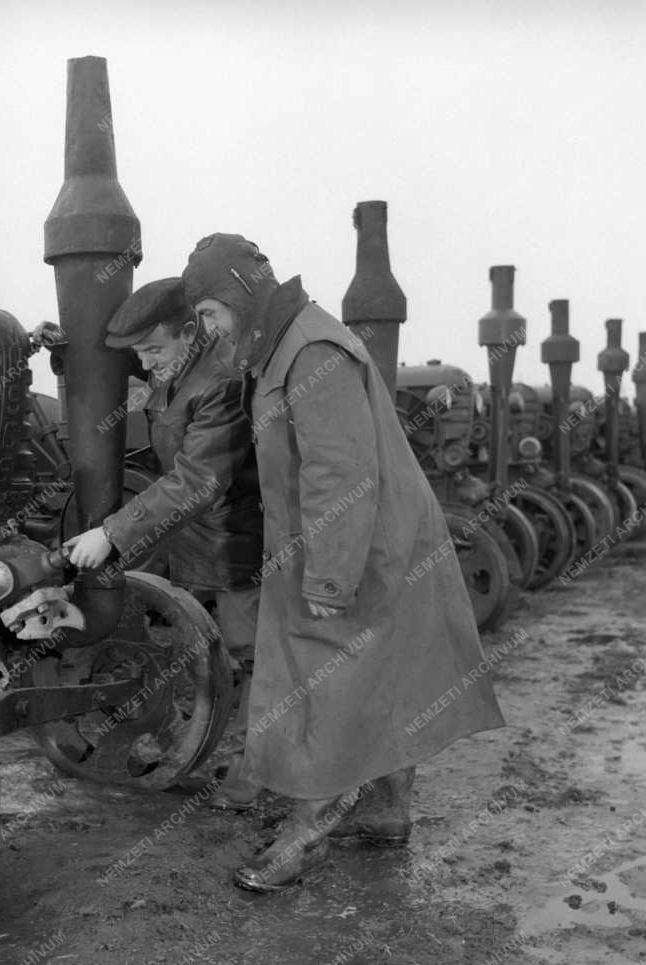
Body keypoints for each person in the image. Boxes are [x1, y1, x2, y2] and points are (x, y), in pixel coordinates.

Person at [181, 233, 505, 893]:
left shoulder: (309, 349)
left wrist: (329, 577)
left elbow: (339, 470)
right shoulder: (289, 343)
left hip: (354, 547)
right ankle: (387, 812)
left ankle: (305, 837)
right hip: (367, 541)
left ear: (239, 296)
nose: (209, 331)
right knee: (384, 680)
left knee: (326, 692)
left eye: (211, 313)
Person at [62, 277, 262, 772]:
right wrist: (62, 350)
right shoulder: (175, 362)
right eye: (140, 353)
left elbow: (198, 478)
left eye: (152, 350)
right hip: (190, 531)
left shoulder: (222, 382)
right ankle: (180, 733)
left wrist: (110, 534)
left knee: (247, 653)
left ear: (191, 331)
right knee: (178, 639)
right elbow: (123, 359)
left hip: (235, 536)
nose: (145, 363)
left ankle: (244, 764)